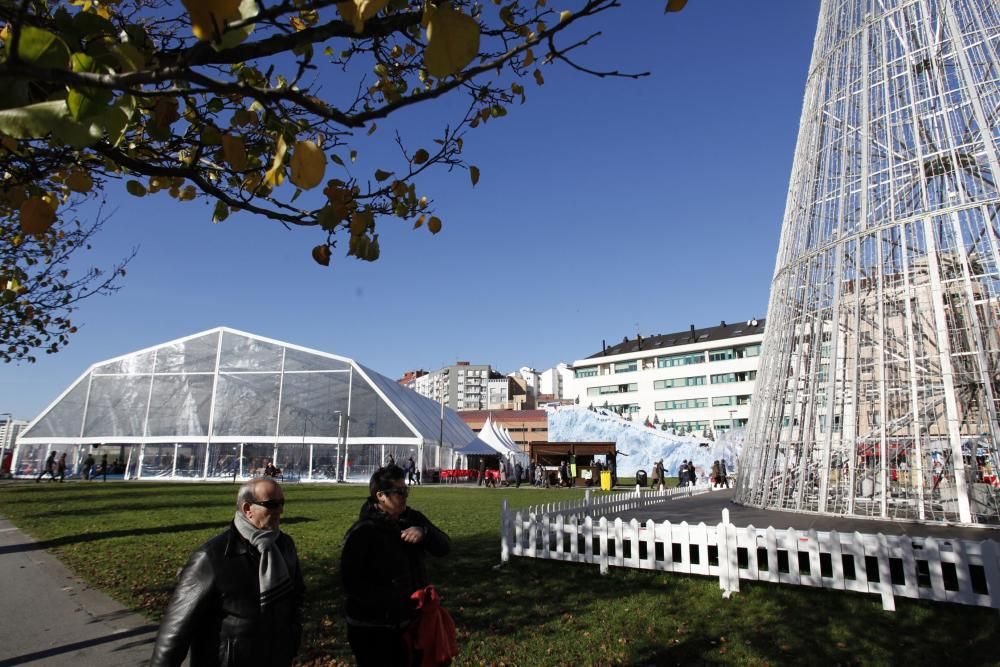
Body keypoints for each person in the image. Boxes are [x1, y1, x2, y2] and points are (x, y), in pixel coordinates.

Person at [149, 478, 305, 667]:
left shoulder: (284, 545)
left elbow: (296, 596)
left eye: (282, 503)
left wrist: (292, 636)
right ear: (248, 509)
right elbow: (175, 632)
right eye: (272, 505)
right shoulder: (211, 557)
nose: (280, 510)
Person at [341, 465, 450, 666]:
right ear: (380, 496)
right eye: (399, 492)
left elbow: (444, 546)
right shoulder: (362, 532)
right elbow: (351, 583)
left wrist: (425, 533)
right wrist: (395, 603)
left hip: (411, 622)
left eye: (406, 490)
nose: (405, 496)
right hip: (374, 628)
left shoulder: (412, 518)